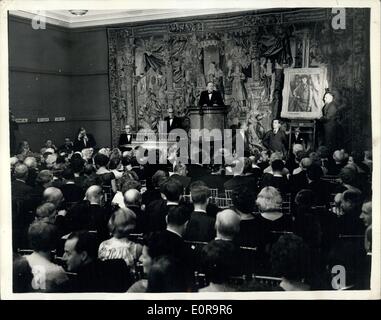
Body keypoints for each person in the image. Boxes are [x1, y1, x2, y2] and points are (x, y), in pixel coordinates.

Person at [63, 231, 132, 292]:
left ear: (83, 255)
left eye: (68, 253)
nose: (63, 258)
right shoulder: (119, 265)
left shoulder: (74, 287)